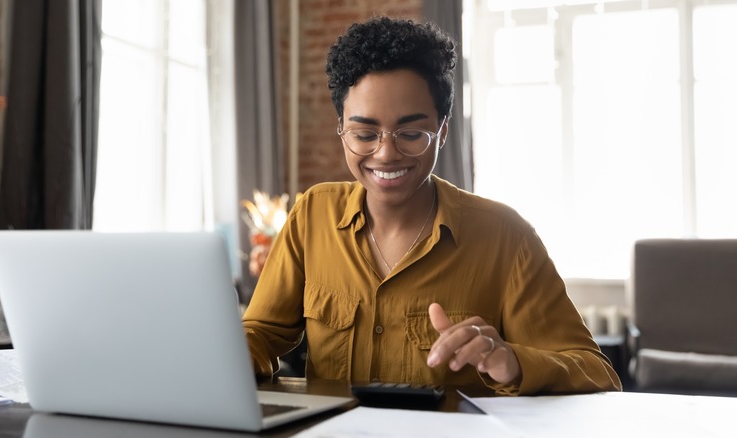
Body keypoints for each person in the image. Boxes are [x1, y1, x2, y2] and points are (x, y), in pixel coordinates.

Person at [242, 16, 621, 395]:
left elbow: (597, 373)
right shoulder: (312, 215)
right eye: (364, 134)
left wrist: (512, 361)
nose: (386, 153)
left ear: (442, 131)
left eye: (410, 133)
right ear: (341, 129)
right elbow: (260, 333)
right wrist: (232, 351)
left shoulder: (506, 237)